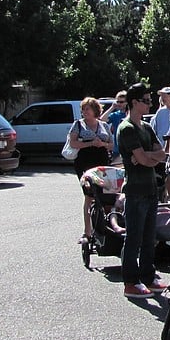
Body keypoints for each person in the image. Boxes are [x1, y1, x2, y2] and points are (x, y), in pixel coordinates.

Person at [116, 82, 167, 299]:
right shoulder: (126, 128)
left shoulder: (146, 127)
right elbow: (145, 159)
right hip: (135, 191)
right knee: (134, 237)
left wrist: (146, 157)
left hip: (151, 188)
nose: (150, 104)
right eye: (146, 100)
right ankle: (130, 280)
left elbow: (160, 154)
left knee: (149, 237)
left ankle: (148, 275)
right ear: (134, 102)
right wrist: (146, 157)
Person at [67, 97, 113, 242]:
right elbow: (73, 143)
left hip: (102, 162)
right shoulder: (78, 125)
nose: (85, 112)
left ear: (95, 110)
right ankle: (87, 231)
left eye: (88, 109)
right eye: (83, 109)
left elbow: (111, 145)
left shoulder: (104, 126)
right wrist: (90, 144)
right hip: (84, 162)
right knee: (89, 195)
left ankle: (105, 227)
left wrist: (102, 145)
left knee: (105, 195)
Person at [103, 90, 127, 159]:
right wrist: (112, 108)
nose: (119, 104)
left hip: (129, 149)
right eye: (117, 101)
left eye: (121, 102)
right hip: (117, 150)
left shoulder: (131, 114)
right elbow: (102, 120)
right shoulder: (115, 115)